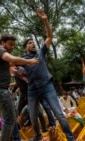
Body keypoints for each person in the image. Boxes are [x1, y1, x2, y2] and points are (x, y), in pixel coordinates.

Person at [22, 9, 75, 141]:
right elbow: (11, 64)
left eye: (33, 42)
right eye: (29, 43)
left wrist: (45, 20)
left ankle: (70, 138)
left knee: (59, 114)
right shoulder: (22, 59)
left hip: (47, 86)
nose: (33, 43)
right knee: (33, 116)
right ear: (25, 48)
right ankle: (37, 135)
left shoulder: (40, 52)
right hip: (32, 91)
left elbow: (50, 37)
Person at [0, 33, 39, 141]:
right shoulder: (0, 51)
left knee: (11, 118)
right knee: (10, 120)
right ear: (2, 43)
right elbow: (13, 60)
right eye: (10, 44)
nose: (12, 47)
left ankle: (16, 138)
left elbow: (12, 63)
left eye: (13, 45)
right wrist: (30, 61)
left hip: (0, 90)